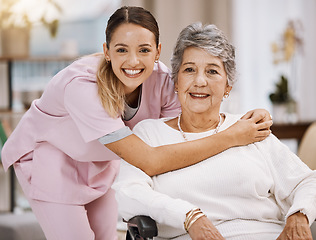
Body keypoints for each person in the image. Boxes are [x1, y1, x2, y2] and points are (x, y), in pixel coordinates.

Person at [0, 6, 272, 240]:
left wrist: (244, 120)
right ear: (106, 51)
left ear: (157, 51)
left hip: (102, 164)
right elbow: (149, 160)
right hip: (52, 161)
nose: (133, 61)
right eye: (122, 50)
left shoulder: (163, 79)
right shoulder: (82, 87)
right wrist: (233, 136)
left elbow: (189, 128)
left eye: (144, 50)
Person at [113, 22, 316, 240]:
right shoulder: (150, 134)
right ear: (176, 81)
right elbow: (128, 193)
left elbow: (306, 181)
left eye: (212, 71)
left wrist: (299, 215)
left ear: (228, 85)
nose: (200, 81)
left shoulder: (250, 129)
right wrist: (188, 216)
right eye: (189, 70)